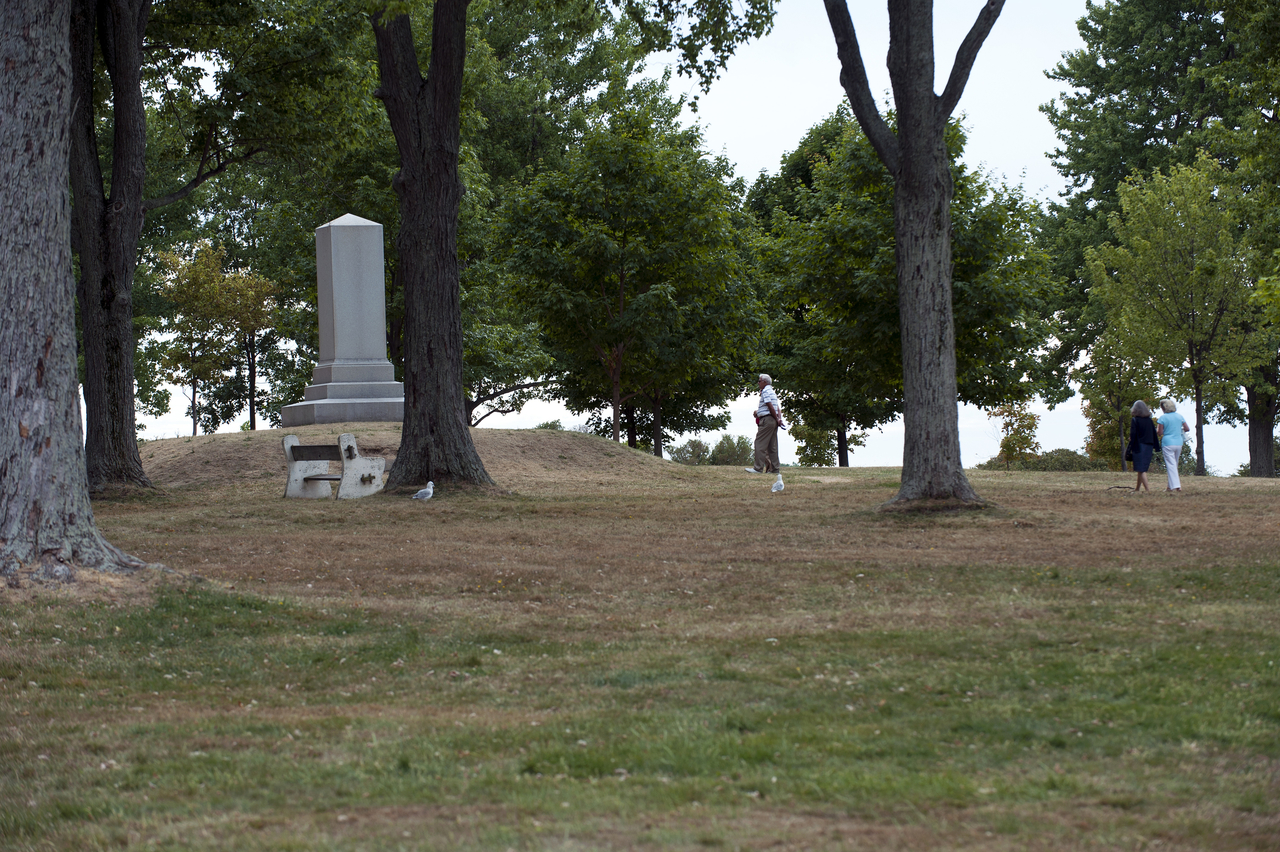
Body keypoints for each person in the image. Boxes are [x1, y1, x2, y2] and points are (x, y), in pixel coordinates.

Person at [746, 374, 785, 475]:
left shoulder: (766, 391)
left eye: (759, 381)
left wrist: (776, 418)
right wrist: (778, 419)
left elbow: (769, 405)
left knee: (759, 444)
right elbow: (777, 408)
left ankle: (758, 468)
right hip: (773, 420)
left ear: (765, 382)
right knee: (773, 446)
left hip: (767, 420)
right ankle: (775, 469)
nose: (758, 383)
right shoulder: (772, 392)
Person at [1156, 398, 1190, 492]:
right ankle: (1169, 487)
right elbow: (1187, 428)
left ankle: (1177, 486)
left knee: (1171, 465)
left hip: (1168, 443)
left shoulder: (1162, 418)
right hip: (1178, 442)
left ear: (1164, 408)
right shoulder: (1179, 416)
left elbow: (1160, 432)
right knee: (1174, 464)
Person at [1127, 400, 1158, 492]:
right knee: (1141, 468)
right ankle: (1137, 488)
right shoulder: (1149, 420)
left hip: (1139, 446)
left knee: (1141, 469)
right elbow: (1153, 433)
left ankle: (1148, 490)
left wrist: (1131, 443)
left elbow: (1133, 434)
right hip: (1148, 446)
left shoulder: (1135, 420)